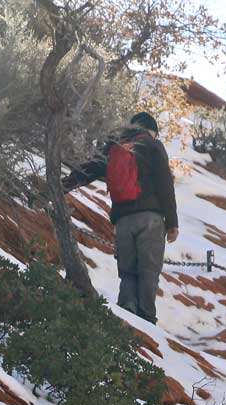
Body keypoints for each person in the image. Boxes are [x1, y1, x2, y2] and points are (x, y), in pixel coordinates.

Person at [63, 112, 179, 324]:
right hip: (150, 219)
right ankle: (145, 320)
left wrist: (62, 186)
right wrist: (172, 223)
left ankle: (127, 312)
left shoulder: (115, 145)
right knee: (148, 271)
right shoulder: (152, 145)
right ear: (150, 130)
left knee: (127, 272)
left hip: (123, 220)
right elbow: (165, 184)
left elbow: (88, 169)